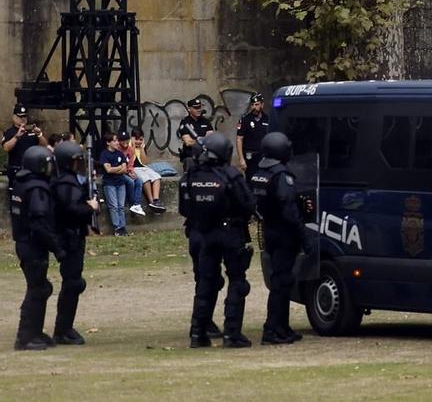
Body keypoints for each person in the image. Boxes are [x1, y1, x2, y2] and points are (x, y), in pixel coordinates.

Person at [180, 131, 255, 348]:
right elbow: (248, 204)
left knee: (206, 282)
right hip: (230, 233)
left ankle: (198, 333)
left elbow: (185, 208)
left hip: (204, 233)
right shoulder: (231, 175)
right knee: (237, 281)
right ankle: (232, 334)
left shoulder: (192, 176)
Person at [248, 131, 305, 345]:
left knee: (281, 281)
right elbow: (289, 210)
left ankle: (282, 327)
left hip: (269, 231)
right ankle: (272, 329)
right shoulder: (281, 176)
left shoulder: (259, 173)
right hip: (284, 234)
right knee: (281, 283)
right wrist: (304, 237)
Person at [10, 143, 57, 350]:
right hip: (32, 245)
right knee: (37, 289)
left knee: (41, 287)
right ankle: (26, 336)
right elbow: (39, 222)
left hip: (25, 242)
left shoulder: (20, 184)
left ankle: (34, 332)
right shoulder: (35, 188)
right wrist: (57, 246)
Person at [49, 140, 95, 345]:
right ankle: (62, 329)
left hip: (74, 235)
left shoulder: (70, 181)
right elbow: (72, 210)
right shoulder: (64, 183)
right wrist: (90, 208)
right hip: (68, 237)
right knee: (73, 283)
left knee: (74, 281)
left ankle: (65, 327)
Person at [100, 132, 140, 235]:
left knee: (121, 206)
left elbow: (124, 169)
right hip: (109, 183)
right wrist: (118, 168)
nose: (117, 142)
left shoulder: (120, 154)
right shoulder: (104, 154)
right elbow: (108, 170)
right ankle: (117, 227)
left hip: (120, 182)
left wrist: (116, 169)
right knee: (113, 206)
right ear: (108, 143)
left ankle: (123, 227)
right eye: (114, 141)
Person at [4, 106, 44, 181]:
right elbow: (6, 148)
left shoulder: (32, 131)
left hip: (32, 169)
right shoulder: (9, 132)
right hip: (16, 169)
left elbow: (44, 146)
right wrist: (16, 137)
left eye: (25, 116)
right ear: (14, 117)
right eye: (20, 116)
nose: (23, 119)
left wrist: (39, 135)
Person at [129, 133, 166, 212]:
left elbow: (145, 162)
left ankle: (156, 200)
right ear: (132, 138)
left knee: (156, 176)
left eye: (141, 139)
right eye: (136, 139)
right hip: (134, 168)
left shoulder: (142, 146)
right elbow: (130, 159)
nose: (138, 141)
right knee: (146, 178)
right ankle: (151, 201)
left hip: (143, 167)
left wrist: (142, 149)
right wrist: (132, 146)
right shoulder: (128, 145)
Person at [235, 93, 272, 166]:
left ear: (262, 105)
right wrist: (241, 159)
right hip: (250, 155)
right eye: (252, 105)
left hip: (264, 156)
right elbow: (239, 139)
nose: (254, 107)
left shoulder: (268, 119)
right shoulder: (245, 119)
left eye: (256, 104)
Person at [177, 99, 213, 172]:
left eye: (199, 107)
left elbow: (211, 139)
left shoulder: (206, 121)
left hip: (205, 154)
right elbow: (188, 142)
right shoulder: (185, 122)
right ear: (189, 109)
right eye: (196, 108)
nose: (198, 110)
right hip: (191, 155)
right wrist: (204, 141)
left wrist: (198, 141)